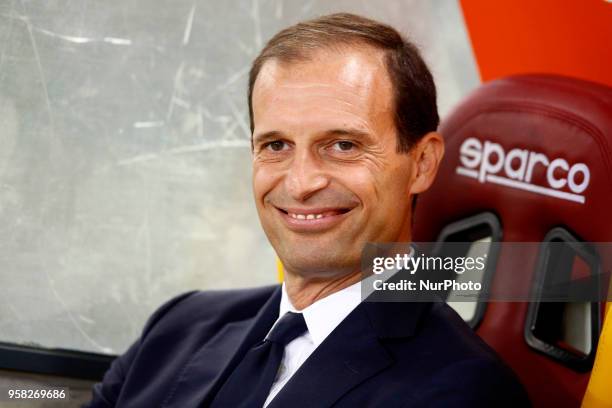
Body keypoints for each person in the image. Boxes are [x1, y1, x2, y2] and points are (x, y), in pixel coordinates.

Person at [85, 13, 530, 407]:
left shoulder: (463, 390)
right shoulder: (180, 325)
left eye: (342, 145)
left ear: (421, 164)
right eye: (276, 145)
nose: (300, 183)